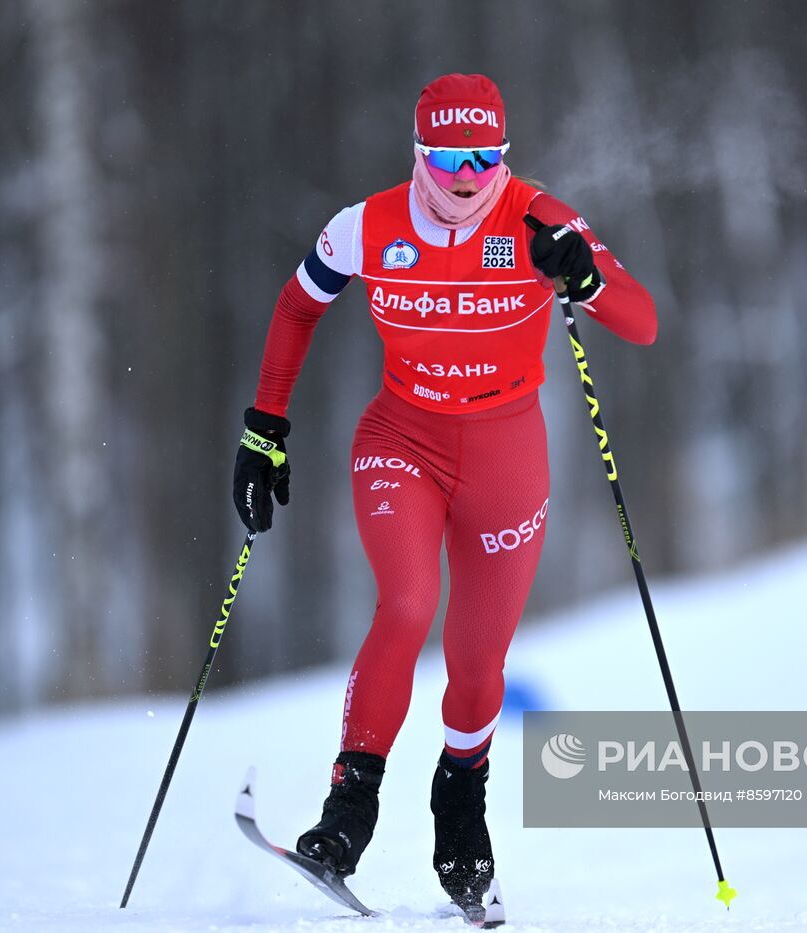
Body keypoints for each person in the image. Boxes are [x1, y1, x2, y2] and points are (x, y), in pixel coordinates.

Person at [232, 73, 657, 916]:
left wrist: (585, 276)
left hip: (507, 461)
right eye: (449, 155)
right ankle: (346, 813)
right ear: (420, 155)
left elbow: (642, 321)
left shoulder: (538, 220)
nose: (467, 176)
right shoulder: (369, 225)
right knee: (407, 601)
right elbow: (295, 304)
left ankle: (460, 818)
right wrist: (263, 426)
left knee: (477, 662)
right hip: (402, 440)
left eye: (485, 155)